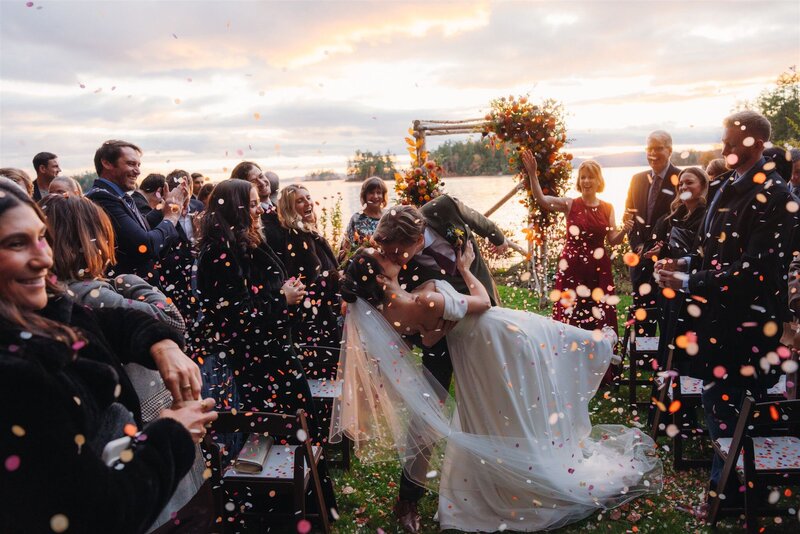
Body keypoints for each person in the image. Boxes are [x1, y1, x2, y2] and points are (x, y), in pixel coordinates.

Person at [333, 246, 661, 532]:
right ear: (378, 278)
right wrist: (460, 274)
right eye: (379, 255)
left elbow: (430, 331)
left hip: (484, 342)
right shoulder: (411, 293)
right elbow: (474, 306)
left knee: (544, 352)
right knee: (544, 351)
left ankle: (601, 345)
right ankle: (603, 345)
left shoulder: (397, 290)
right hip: (485, 337)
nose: (385, 252)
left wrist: (438, 315)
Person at [0, 182, 217, 533]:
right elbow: (98, 514)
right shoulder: (15, 375)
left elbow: (102, 322)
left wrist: (161, 344)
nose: (43, 257)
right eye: (15, 243)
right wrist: (173, 434)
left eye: (42, 237)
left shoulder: (45, 311)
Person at [655, 110, 795, 516]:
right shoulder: (724, 186)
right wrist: (684, 267)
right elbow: (709, 250)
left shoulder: (777, 195)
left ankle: (728, 496)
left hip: (749, 323)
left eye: (733, 141)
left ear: (757, 143)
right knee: (721, 404)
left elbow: (756, 269)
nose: (725, 147)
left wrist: (689, 283)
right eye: (725, 140)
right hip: (717, 318)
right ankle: (726, 493)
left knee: (730, 404)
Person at [371, 200, 508, 532]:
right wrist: (428, 332)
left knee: (494, 398)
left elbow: (474, 215)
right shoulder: (396, 262)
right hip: (440, 333)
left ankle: (501, 481)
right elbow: (406, 310)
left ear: (417, 239)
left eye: (398, 253)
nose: (393, 260)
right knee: (426, 415)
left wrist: (497, 236)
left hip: (484, 317)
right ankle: (408, 500)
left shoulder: (443, 208)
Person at [195, 179, 314, 417]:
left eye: (258, 203)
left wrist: (287, 289)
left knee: (299, 420)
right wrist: (283, 298)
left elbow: (259, 292)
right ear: (234, 209)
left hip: (274, 351)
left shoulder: (247, 241)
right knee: (286, 424)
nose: (260, 209)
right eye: (252, 205)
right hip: (256, 362)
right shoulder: (221, 253)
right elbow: (238, 317)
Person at [521, 151, 630, 379]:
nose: (586, 181)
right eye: (583, 177)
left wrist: (626, 231)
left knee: (599, 313)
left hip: (599, 269)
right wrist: (532, 174)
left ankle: (600, 368)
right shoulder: (570, 204)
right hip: (572, 269)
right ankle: (568, 364)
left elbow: (613, 240)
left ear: (598, 181)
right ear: (579, 181)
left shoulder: (608, 207)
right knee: (571, 313)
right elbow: (542, 199)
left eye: (590, 177)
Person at [85, 140, 187, 282]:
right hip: (128, 292)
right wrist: (171, 217)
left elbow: (140, 230)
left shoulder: (120, 196)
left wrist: (164, 207)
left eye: (138, 165)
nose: (138, 171)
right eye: (131, 164)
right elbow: (144, 246)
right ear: (107, 163)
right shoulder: (102, 198)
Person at [268, 184, 341, 379]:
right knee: (323, 372)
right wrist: (339, 275)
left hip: (321, 313)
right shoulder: (297, 236)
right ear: (289, 209)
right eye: (300, 201)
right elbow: (308, 282)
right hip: (314, 319)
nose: (308, 203)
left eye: (308, 198)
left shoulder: (307, 231)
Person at [625, 131, 680, 333]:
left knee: (667, 317)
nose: (653, 153)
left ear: (670, 150)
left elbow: (681, 221)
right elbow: (629, 218)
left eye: (658, 148)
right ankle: (642, 357)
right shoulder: (636, 179)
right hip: (640, 261)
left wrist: (659, 250)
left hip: (668, 261)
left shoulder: (681, 179)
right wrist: (638, 246)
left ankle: (664, 358)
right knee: (642, 315)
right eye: (650, 149)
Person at [338, 176, 388, 262]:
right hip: (361, 264)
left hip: (386, 263)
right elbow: (346, 247)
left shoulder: (388, 216)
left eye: (379, 192)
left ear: (383, 195)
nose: (375, 196)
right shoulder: (357, 218)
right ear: (364, 196)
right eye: (371, 193)